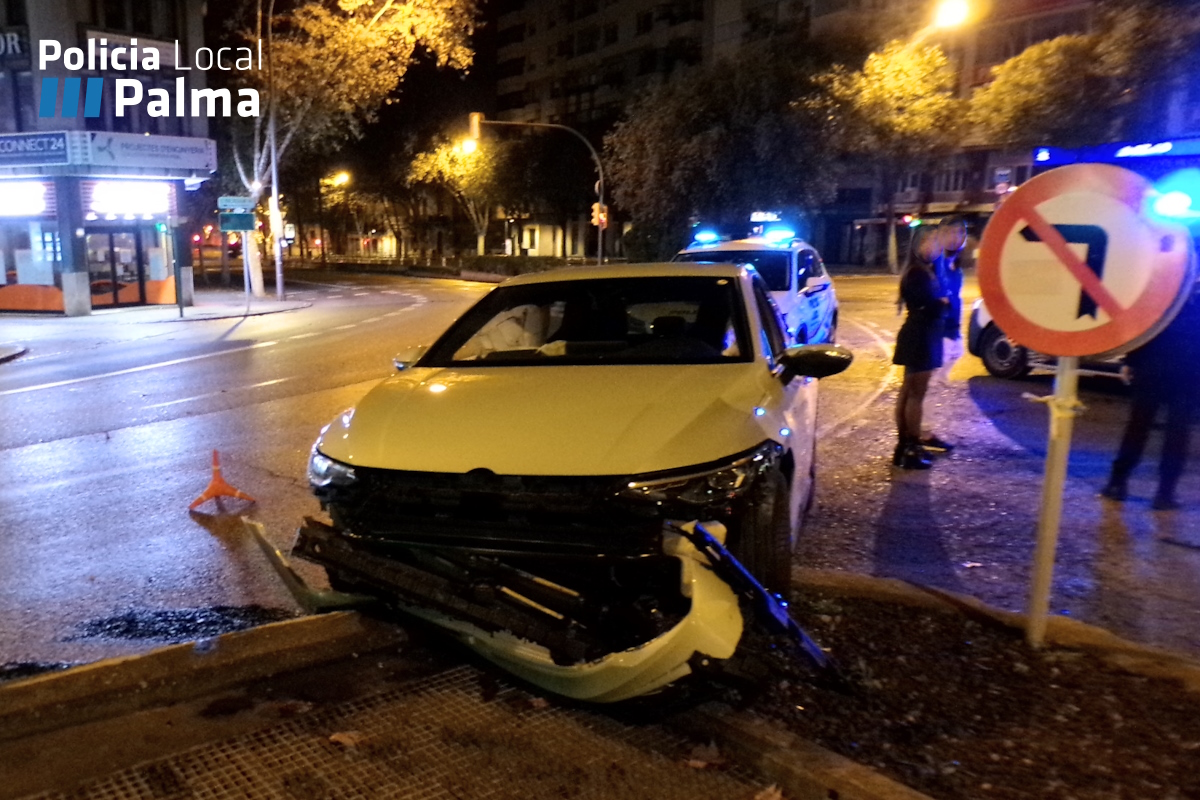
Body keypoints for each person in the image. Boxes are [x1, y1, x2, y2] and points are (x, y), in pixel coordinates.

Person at [1100, 289, 1200, 510]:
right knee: (1177, 433)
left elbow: (1144, 324)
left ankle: (1118, 483)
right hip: (1188, 372)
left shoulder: (1170, 285)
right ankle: (1164, 493)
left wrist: (1130, 360)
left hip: (1154, 366)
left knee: (1139, 426)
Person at [892, 227, 948, 470]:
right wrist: (942, 303)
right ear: (920, 245)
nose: (936, 246)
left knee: (909, 392)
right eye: (932, 241)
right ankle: (911, 448)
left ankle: (904, 447)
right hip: (920, 336)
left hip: (920, 335)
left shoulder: (922, 270)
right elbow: (928, 306)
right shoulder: (918, 273)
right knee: (915, 394)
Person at [925, 216, 968, 452]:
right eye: (950, 232)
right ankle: (923, 432)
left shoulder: (954, 263)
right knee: (930, 386)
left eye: (960, 233)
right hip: (938, 331)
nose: (956, 237)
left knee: (938, 384)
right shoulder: (935, 261)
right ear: (939, 235)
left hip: (951, 330)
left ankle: (923, 431)